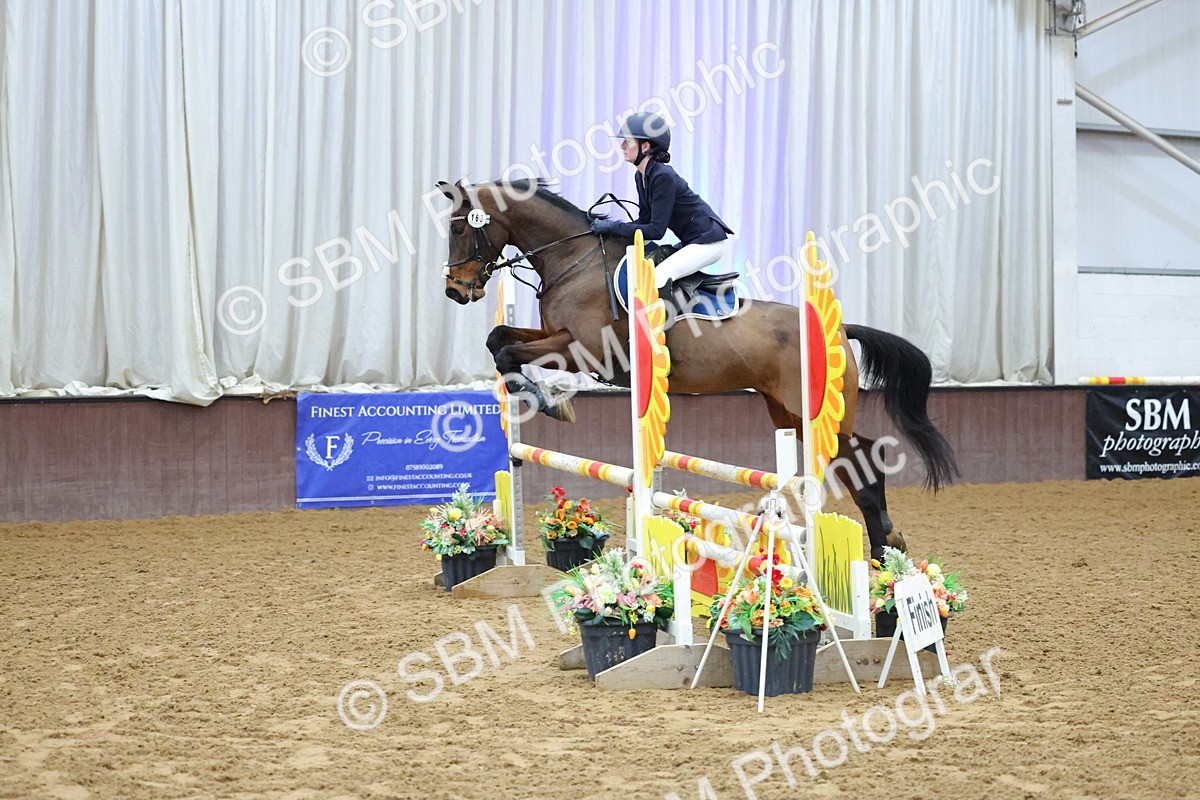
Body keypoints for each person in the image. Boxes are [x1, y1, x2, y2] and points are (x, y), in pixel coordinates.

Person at [591, 112, 734, 290]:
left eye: (628, 141)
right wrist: (611, 232)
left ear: (645, 146)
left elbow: (656, 230)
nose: (622, 146)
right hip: (692, 241)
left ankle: (670, 319)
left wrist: (612, 227)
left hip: (709, 242)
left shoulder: (663, 176)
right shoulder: (641, 176)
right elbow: (644, 221)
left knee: (658, 276)